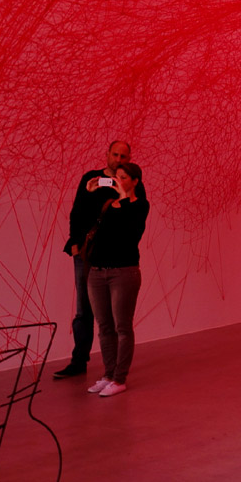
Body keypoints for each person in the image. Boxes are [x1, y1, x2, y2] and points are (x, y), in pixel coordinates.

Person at [55, 140, 145, 380]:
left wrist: (122, 189)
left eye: (123, 156)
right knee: (84, 310)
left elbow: (135, 219)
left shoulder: (133, 184)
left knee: (117, 320)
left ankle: (116, 373)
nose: (118, 159)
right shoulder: (92, 179)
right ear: (107, 155)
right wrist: (75, 243)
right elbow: (77, 212)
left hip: (117, 260)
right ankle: (79, 360)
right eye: (115, 154)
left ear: (129, 159)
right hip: (87, 252)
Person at [84, 162, 149, 397]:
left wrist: (122, 198)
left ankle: (119, 379)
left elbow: (130, 234)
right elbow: (90, 224)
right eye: (116, 177)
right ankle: (108, 374)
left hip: (124, 272)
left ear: (135, 182)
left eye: (123, 178)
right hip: (97, 271)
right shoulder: (108, 205)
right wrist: (91, 194)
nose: (118, 181)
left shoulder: (139, 206)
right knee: (104, 327)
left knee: (122, 327)